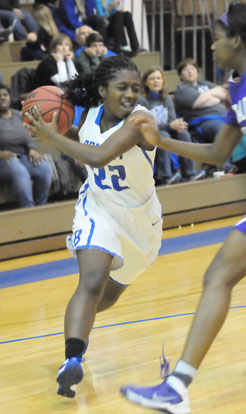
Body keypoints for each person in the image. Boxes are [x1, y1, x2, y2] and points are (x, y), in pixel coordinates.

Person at [120, 3, 246, 413]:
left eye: (216, 37)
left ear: (237, 40)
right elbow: (216, 150)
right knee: (219, 274)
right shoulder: (238, 86)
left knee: (219, 274)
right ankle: (176, 386)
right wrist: (159, 139)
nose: (211, 46)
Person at [23, 55, 163, 398]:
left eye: (135, 87)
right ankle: (73, 358)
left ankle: (80, 318)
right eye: (123, 87)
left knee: (105, 297)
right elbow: (83, 138)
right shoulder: (88, 117)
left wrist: (49, 136)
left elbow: (98, 156)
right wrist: (53, 124)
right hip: (97, 209)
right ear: (102, 90)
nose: (132, 93)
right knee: (91, 281)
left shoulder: (141, 120)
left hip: (141, 224)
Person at [139, 66, 205, 185]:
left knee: (184, 134)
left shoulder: (166, 98)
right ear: (145, 83)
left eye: (158, 78)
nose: (156, 81)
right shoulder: (142, 101)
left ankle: (189, 173)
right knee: (163, 135)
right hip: (147, 134)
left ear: (163, 81)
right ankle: (165, 176)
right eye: (152, 78)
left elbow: (172, 120)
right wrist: (171, 125)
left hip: (165, 129)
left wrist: (178, 126)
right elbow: (148, 127)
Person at [0, 84, 52, 208]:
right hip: (4, 159)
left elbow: (27, 135)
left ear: (10, 97)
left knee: (44, 167)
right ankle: (28, 209)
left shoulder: (18, 114)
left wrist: (32, 148)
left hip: (23, 156)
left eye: (5, 95)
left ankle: (40, 207)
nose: (2, 98)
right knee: (20, 171)